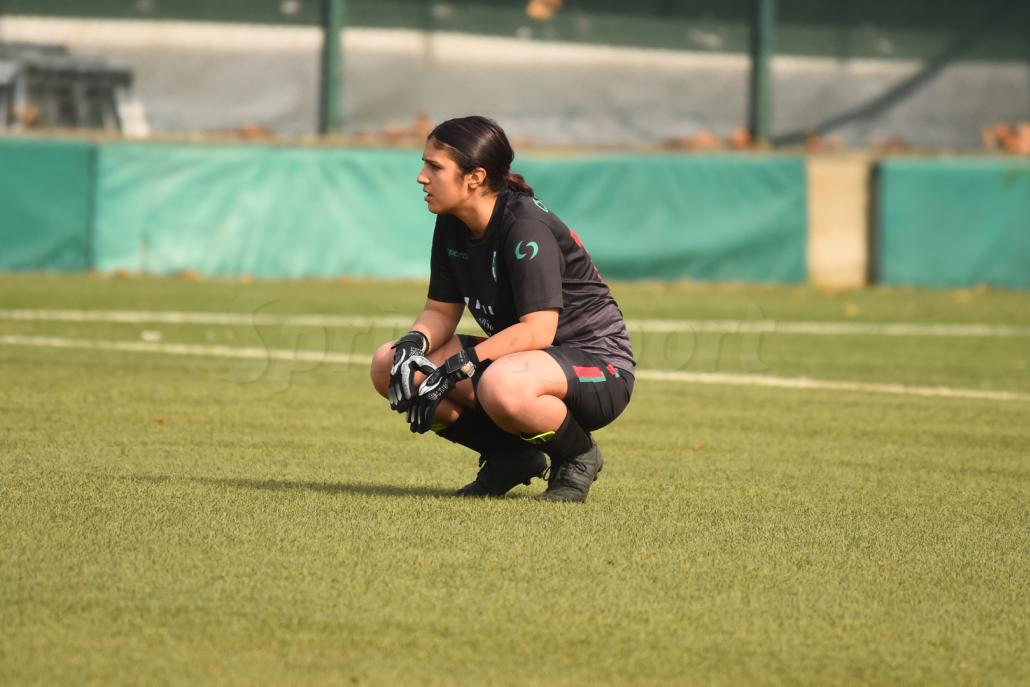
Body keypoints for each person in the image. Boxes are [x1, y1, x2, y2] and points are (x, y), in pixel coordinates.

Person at [369, 115, 635, 502]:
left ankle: (578, 456)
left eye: (434, 167)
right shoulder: (452, 223)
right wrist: (413, 344)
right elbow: (440, 312)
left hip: (600, 367)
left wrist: (460, 366)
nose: (421, 177)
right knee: (390, 364)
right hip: (521, 362)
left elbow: (538, 331)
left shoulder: (525, 226)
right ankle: (511, 456)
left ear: (475, 177)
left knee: (502, 384)